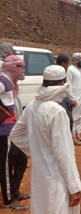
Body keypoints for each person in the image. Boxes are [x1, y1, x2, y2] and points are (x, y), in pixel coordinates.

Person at [10, 65, 81, 213]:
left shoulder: (32, 105)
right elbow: (64, 153)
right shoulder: (57, 112)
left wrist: (37, 150)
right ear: (62, 84)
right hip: (57, 177)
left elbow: (15, 134)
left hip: (40, 175)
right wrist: (74, 186)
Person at [0, 55, 29, 211]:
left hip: (10, 131)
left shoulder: (9, 82)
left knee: (21, 160)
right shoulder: (3, 81)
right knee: (4, 167)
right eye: (19, 67)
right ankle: (8, 200)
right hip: (3, 132)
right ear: (12, 68)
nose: (22, 70)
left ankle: (14, 191)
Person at [67, 53, 81, 146]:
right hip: (75, 98)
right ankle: (73, 137)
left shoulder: (79, 70)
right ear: (77, 60)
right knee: (73, 118)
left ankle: (78, 134)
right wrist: (71, 98)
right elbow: (69, 85)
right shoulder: (70, 70)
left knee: (79, 117)